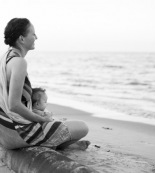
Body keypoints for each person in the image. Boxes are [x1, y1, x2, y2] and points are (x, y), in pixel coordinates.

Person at [0, 18, 90, 150]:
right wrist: (39, 119)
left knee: (49, 116)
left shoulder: (5, 57)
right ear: (21, 39)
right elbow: (14, 105)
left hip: (5, 130)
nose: (36, 37)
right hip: (18, 133)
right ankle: (61, 144)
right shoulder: (19, 62)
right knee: (82, 127)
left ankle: (65, 144)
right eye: (33, 34)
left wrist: (39, 115)